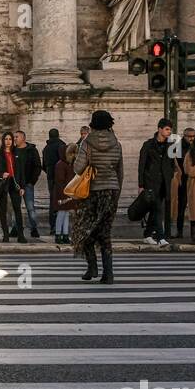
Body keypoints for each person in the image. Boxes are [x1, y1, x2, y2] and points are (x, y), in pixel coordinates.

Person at [72, 110, 123, 283]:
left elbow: (78, 169)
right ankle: (108, 273)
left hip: (91, 192)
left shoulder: (87, 143)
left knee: (84, 228)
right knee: (105, 232)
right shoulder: (117, 144)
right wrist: (116, 193)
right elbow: (120, 172)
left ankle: (92, 266)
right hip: (111, 191)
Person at [137, 118, 173, 247]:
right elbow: (141, 165)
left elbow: (174, 163)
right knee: (158, 208)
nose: (169, 132)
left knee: (155, 210)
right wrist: (141, 185)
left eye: (170, 130)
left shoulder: (171, 145)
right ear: (160, 129)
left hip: (165, 183)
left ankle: (147, 234)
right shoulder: (148, 145)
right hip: (151, 182)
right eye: (167, 129)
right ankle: (160, 237)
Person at [0, 131, 26, 244]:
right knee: (3, 210)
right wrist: (1, 174)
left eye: (10, 139)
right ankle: (6, 235)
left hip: (15, 183)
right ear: (3, 141)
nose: (8, 141)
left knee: (17, 209)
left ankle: (21, 235)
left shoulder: (17, 153)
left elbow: (21, 171)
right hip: (3, 183)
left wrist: (22, 186)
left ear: (12, 141)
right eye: (6, 139)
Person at [13, 130, 43, 240]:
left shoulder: (31, 150)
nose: (14, 139)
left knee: (30, 208)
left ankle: (33, 228)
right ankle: (15, 228)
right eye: (14, 137)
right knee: (16, 208)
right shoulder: (13, 150)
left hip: (27, 184)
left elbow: (37, 166)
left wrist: (31, 182)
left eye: (17, 137)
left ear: (23, 138)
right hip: (16, 184)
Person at [172, 126, 195, 239]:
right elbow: (173, 161)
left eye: (193, 136)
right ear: (184, 136)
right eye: (189, 136)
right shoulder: (178, 146)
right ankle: (179, 230)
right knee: (181, 206)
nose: (191, 139)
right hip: (183, 179)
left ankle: (194, 232)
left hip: (194, 180)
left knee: (194, 207)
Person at [42, 128, 66, 234]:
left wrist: (49, 172)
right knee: (62, 202)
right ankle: (60, 228)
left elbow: (44, 165)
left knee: (53, 201)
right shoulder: (62, 145)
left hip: (50, 177)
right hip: (61, 178)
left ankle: (53, 226)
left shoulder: (46, 148)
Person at [51, 143, 75, 245]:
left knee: (66, 214)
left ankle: (65, 235)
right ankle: (58, 234)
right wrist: (65, 194)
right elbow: (60, 181)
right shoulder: (60, 164)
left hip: (68, 192)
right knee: (61, 214)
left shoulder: (68, 164)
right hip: (62, 193)